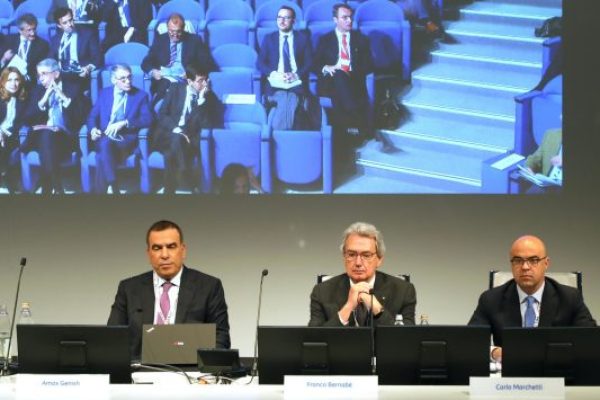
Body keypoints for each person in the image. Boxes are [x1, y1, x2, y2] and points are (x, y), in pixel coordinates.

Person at [107, 220, 231, 359]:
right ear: (148, 254)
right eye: (157, 248)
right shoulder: (129, 288)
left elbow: (221, 339)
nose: (164, 255)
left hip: (191, 372)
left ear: (183, 251)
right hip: (141, 372)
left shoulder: (209, 286)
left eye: (171, 246)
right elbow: (113, 338)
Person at [468, 235, 596, 363]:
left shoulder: (569, 298)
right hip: (508, 377)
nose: (525, 267)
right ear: (511, 264)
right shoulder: (491, 299)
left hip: (555, 374)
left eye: (533, 260)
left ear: (546, 263)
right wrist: (495, 353)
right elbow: (470, 342)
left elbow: (591, 340)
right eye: (518, 260)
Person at [309, 222, 417, 327]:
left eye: (366, 255)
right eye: (351, 254)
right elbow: (314, 339)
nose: (358, 263)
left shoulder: (403, 291)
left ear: (379, 260)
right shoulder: (322, 292)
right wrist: (348, 307)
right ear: (344, 258)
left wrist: (377, 308)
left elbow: (406, 339)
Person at [21, 58, 88, 194]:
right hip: (42, 136)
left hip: (65, 137)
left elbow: (81, 117)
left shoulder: (73, 89)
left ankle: (46, 185)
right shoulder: (38, 90)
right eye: (39, 75)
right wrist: (43, 100)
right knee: (47, 136)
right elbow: (27, 118)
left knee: (48, 140)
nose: (40, 79)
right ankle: (57, 187)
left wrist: (64, 98)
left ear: (56, 74)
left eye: (44, 74)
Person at [151, 64, 220, 194]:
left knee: (170, 154)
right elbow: (162, 114)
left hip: (190, 140)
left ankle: (169, 190)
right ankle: (186, 175)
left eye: (206, 80)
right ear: (189, 81)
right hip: (168, 134)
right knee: (177, 139)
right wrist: (177, 130)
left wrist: (201, 101)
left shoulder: (209, 98)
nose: (204, 84)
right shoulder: (175, 89)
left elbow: (207, 125)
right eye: (200, 81)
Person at [86, 63, 152, 194]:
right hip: (104, 136)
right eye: (123, 79)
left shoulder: (140, 96)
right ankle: (111, 188)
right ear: (113, 80)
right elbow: (92, 117)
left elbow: (149, 119)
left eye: (129, 77)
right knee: (102, 151)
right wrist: (93, 129)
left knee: (102, 152)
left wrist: (125, 122)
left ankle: (112, 187)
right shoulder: (104, 93)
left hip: (125, 139)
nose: (128, 81)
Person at [141, 13, 216, 104]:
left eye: (178, 31)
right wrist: (153, 72)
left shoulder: (194, 40)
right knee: (165, 88)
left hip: (184, 80)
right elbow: (146, 62)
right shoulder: (160, 39)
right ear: (167, 28)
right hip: (164, 79)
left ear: (183, 28)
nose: (175, 35)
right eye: (171, 31)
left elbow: (206, 63)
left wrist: (190, 72)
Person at [49, 7, 102, 89]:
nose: (70, 24)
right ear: (59, 25)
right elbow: (51, 59)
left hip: (80, 75)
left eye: (70, 20)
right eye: (65, 23)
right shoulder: (55, 39)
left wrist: (88, 68)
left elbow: (98, 57)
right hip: (62, 76)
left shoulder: (88, 34)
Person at [0, 13, 50, 85]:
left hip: (29, 83)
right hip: (8, 82)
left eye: (34, 29)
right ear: (20, 30)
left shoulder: (42, 45)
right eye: (29, 30)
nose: (32, 33)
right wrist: (4, 58)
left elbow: (43, 69)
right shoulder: (8, 40)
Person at [0, 67, 27, 193]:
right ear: (3, 82)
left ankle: (8, 178)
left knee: (9, 146)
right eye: (9, 80)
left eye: (16, 80)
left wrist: (6, 133)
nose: (13, 83)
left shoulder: (23, 100)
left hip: (12, 136)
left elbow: (22, 122)